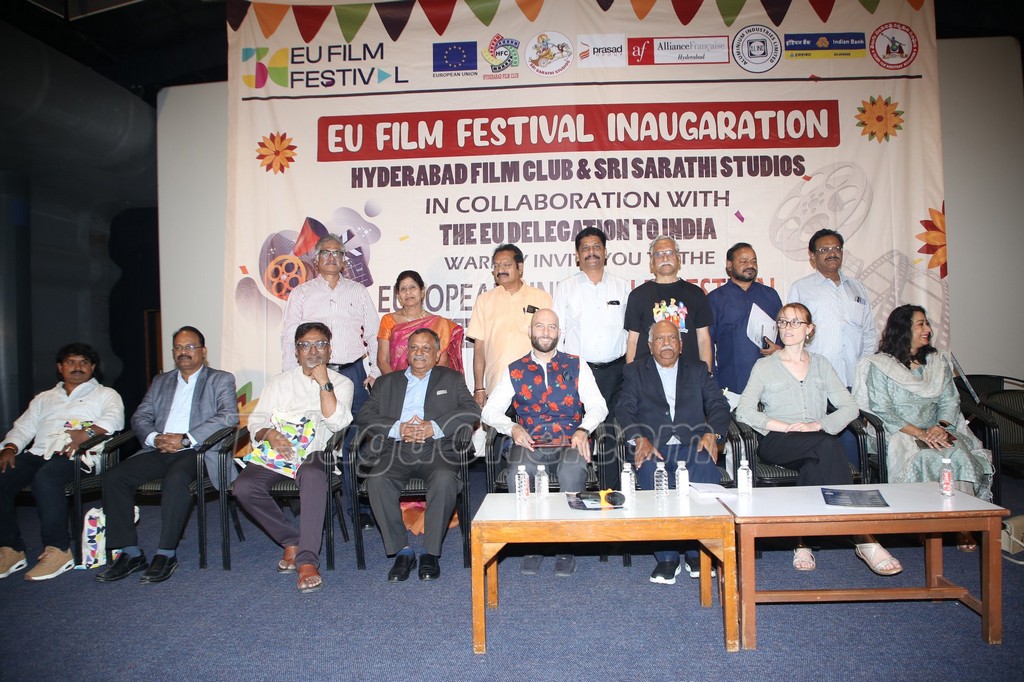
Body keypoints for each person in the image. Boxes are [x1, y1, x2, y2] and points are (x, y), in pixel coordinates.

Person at [736, 303, 902, 576]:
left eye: (795, 322)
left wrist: (818, 424)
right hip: (778, 441)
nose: (787, 327)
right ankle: (863, 537)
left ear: (809, 329)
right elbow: (744, 411)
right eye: (783, 321)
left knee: (815, 462)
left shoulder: (822, 365)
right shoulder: (764, 366)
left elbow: (850, 407)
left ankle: (801, 541)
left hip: (817, 440)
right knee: (827, 445)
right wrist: (785, 427)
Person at [96, 326, 238, 584]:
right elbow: (141, 416)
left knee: (176, 479)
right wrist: (155, 437)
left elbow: (228, 417)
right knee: (115, 477)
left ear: (203, 351)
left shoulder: (220, 379)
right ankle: (130, 552)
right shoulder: (161, 381)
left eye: (190, 347)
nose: (183, 352)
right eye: (178, 347)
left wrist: (185, 438)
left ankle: (166, 553)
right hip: (159, 448)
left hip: (197, 451)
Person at [854, 304, 993, 549]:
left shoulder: (937, 361)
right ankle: (924, 524)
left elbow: (950, 399)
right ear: (903, 329)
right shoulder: (881, 364)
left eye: (927, 323)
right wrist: (920, 433)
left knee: (957, 454)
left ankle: (962, 525)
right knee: (926, 457)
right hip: (899, 432)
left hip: (938, 429)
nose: (927, 329)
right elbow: (882, 409)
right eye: (920, 324)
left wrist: (940, 426)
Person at [482, 308, 608, 577]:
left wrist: (583, 429)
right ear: (530, 331)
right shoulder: (515, 369)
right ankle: (532, 543)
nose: (546, 332)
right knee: (519, 471)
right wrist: (512, 427)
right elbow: (489, 411)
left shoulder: (576, 364)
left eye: (551, 327)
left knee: (572, 470)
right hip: (530, 442)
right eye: (540, 326)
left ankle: (566, 545)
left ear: (559, 332)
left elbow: (599, 405)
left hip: (569, 440)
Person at [234, 322, 354, 593]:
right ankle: (291, 540)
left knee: (312, 474)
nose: (313, 351)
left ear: (330, 350)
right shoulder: (278, 383)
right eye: (305, 345)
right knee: (244, 487)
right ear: (296, 352)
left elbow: (337, 424)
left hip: (317, 452)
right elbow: (256, 422)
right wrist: (269, 434)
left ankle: (307, 561)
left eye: (320, 344)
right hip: (280, 453)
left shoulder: (342, 383)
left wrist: (324, 383)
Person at [356, 328, 480, 582]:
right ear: (407, 353)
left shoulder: (451, 379)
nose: (419, 353)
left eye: (426, 348)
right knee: (377, 481)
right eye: (414, 347)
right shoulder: (387, 382)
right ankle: (402, 551)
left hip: (437, 449)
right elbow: (365, 415)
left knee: (445, 480)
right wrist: (397, 428)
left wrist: (434, 427)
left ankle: (430, 553)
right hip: (395, 449)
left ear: (437, 354)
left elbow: (471, 410)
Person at [616, 320, 730, 584]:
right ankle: (667, 557)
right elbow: (624, 408)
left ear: (680, 345)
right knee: (651, 476)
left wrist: (712, 433)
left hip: (692, 444)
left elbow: (719, 405)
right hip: (653, 445)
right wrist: (639, 437)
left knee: (704, 470)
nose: (666, 343)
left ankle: (696, 552)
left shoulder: (698, 370)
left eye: (671, 338)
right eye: (659, 339)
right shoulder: (634, 371)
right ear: (649, 346)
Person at [0, 343, 124, 581]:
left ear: (93, 367)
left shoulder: (106, 394)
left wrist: (86, 434)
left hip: (79, 456)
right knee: (3, 475)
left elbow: (114, 420)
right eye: (71, 362)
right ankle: (10, 548)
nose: (78, 367)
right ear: (60, 367)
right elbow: (23, 428)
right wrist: (10, 447)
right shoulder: (44, 398)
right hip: (40, 453)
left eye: (84, 363)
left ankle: (58, 549)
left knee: (46, 478)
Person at [281, 234, 379, 528]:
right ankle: (317, 506)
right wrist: (291, 375)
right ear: (316, 259)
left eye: (338, 253)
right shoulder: (302, 293)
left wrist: (375, 370)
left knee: (354, 442)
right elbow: (290, 336)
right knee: (314, 438)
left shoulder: (358, 291)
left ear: (344, 260)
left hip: (352, 372)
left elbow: (373, 333)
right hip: (313, 374)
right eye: (326, 253)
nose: (332, 258)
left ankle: (356, 507)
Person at [788, 228, 876, 468]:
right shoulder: (801, 288)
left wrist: (865, 372)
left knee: (853, 438)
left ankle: (853, 483)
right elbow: (793, 335)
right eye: (824, 249)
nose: (831, 253)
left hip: (853, 379)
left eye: (836, 248)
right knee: (821, 441)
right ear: (812, 256)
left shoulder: (857, 288)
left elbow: (868, 333)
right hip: (817, 380)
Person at [552, 227, 631, 488]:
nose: (591, 252)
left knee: (611, 433)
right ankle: (577, 491)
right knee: (579, 430)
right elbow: (559, 332)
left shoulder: (622, 286)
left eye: (596, 246)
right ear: (577, 256)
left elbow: (631, 333)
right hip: (578, 372)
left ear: (605, 252)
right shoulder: (565, 287)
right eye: (585, 248)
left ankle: (610, 492)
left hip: (616, 372)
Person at [466, 243, 552, 406]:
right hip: (497, 387)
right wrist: (479, 388)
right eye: (496, 266)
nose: (500, 270)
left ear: (520, 267)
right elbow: (479, 348)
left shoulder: (542, 298)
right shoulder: (484, 300)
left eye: (506, 265)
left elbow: (551, 344)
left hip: (535, 387)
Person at [624, 236, 713, 371]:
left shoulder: (696, 294)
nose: (665, 258)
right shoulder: (638, 296)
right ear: (652, 261)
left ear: (678, 258)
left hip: (688, 375)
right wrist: (631, 377)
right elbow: (632, 341)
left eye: (670, 253)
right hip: (648, 376)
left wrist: (706, 374)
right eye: (659, 254)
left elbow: (704, 339)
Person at [707, 243, 782, 393]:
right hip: (732, 386)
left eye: (754, 261)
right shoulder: (715, 299)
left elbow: (786, 333)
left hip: (772, 384)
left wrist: (780, 350)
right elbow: (706, 344)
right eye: (744, 261)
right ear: (729, 265)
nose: (750, 265)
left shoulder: (770, 295)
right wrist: (713, 382)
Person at [377, 270, 463, 374]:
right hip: (396, 381)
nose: (408, 292)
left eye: (412, 287)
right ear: (398, 295)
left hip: (431, 382)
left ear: (422, 292)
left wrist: (424, 382)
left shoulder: (439, 323)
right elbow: (382, 361)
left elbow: (442, 360)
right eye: (403, 289)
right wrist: (395, 383)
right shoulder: (388, 320)